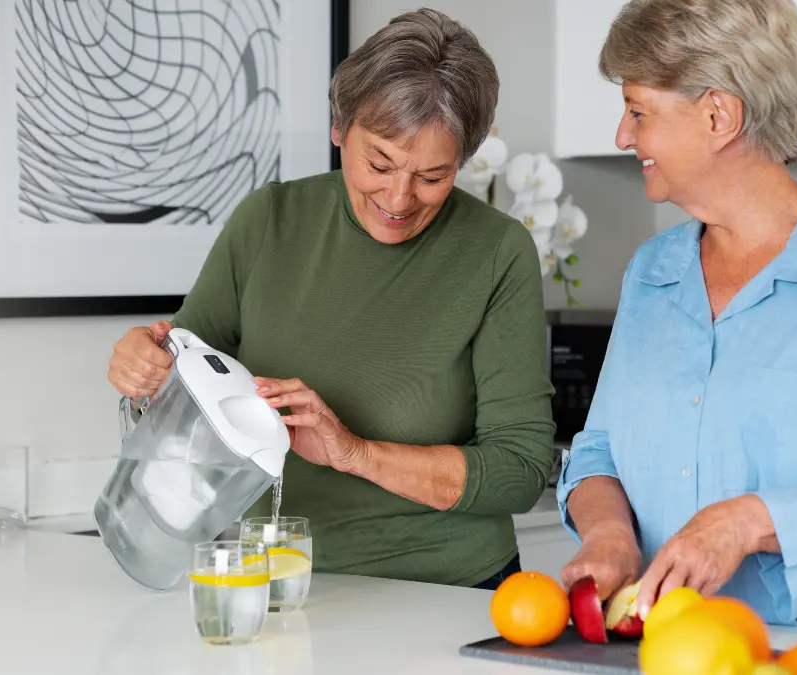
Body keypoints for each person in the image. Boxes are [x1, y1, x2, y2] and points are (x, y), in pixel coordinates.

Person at [107, 9, 556, 591]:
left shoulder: (497, 251)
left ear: (463, 162)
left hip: (447, 590)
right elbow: (184, 396)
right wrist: (142, 368)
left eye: (433, 177)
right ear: (339, 129)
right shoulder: (268, 221)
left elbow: (520, 472)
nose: (399, 197)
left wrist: (355, 453)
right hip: (270, 584)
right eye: (380, 163)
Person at [556, 0, 797, 630]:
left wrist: (741, 523)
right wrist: (609, 534)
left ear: (719, 116)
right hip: (665, 650)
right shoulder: (652, 272)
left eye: (638, 112)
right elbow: (599, 449)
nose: (623, 136)